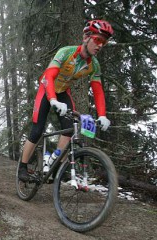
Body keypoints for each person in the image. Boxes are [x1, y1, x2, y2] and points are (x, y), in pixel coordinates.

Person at [18, 20, 113, 182]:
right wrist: (53, 100)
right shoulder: (65, 52)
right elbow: (49, 76)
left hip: (62, 92)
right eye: (98, 40)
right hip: (46, 89)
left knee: (70, 129)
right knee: (37, 130)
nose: (100, 45)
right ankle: (23, 168)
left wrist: (102, 115)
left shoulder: (94, 65)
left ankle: (56, 167)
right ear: (86, 37)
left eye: (103, 42)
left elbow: (98, 91)